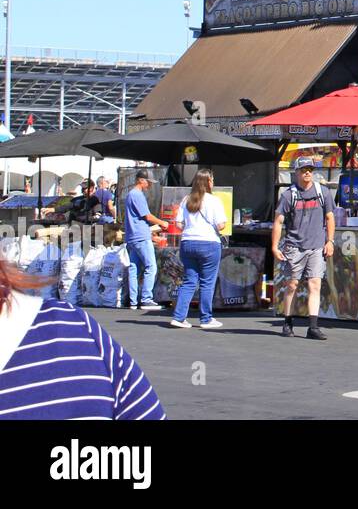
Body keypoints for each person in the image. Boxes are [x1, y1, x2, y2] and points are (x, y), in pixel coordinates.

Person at [0, 252, 164, 419]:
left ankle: (139, 299)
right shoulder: (73, 329)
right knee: (147, 266)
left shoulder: (76, 330)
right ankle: (144, 298)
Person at [271, 164, 335, 340]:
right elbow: (278, 221)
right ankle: (288, 321)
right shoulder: (288, 195)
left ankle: (313, 326)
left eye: (310, 170)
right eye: (304, 170)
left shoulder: (323, 192)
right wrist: (275, 246)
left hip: (316, 246)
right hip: (294, 246)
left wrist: (330, 241)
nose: (308, 173)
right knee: (292, 285)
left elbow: (330, 217)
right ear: (297, 172)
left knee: (315, 284)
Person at [170, 169, 227, 330]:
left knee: (189, 281)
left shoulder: (186, 200)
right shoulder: (214, 201)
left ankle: (179, 317)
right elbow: (221, 224)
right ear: (208, 182)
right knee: (207, 282)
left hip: (188, 242)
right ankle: (206, 318)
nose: (213, 182)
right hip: (209, 243)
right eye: (212, 179)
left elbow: (179, 224)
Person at [123, 170, 168, 310]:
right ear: (141, 180)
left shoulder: (130, 194)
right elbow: (147, 216)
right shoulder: (137, 195)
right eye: (148, 182)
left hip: (132, 235)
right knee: (151, 266)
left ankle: (133, 300)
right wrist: (162, 222)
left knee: (133, 268)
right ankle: (146, 299)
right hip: (141, 236)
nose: (149, 185)